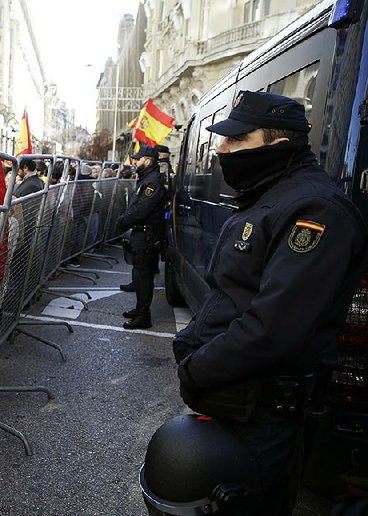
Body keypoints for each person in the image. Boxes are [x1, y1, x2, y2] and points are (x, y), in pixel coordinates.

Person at [173, 91, 368, 514]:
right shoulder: (271, 195)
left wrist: (197, 367)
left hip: (263, 411)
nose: (221, 149)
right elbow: (231, 294)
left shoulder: (316, 209)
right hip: (237, 398)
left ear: (278, 146)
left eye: (237, 140)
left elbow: (272, 327)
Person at [116, 145, 168, 329]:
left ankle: (144, 316)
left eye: (138, 159)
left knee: (144, 277)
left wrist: (123, 221)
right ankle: (139, 309)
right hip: (142, 234)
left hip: (147, 235)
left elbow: (141, 210)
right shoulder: (147, 179)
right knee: (139, 274)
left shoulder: (152, 182)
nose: (135, 162)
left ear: (147, 161)